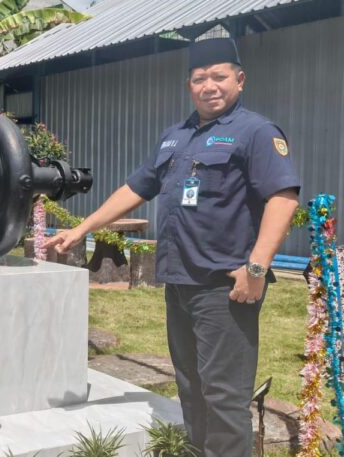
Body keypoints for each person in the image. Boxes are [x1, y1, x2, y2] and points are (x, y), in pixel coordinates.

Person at [43, 38, 300, 456]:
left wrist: (255, 268)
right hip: (179, 282)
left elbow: (283, 198)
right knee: (191, 386)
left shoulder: (256, 132)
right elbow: (136, 187)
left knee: (223, 394)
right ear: (189, 86)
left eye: (219, 77)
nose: (209, 86)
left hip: (224, 285)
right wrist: (82, 228)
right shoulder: (174, 137)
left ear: (240, 80)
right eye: (199, 79)